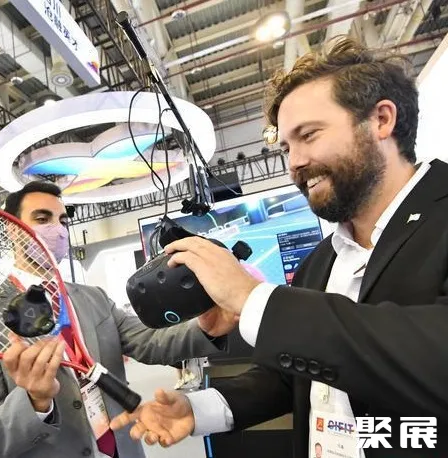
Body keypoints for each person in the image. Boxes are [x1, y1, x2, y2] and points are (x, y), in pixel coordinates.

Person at [110, 36, 448, 458]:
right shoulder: (320, 263)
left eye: (309, 135)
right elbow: (297, 377)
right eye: (287, 146)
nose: (295, 162)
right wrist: (198, 409)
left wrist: (253, 299)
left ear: (381, 120)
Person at [0, 180, 236, 458]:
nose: (57, 229)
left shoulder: (94, 298)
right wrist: (34, 401)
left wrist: (206, 329)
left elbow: (150, 341)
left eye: (63, 221)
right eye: (42, 219)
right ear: (13, 228)